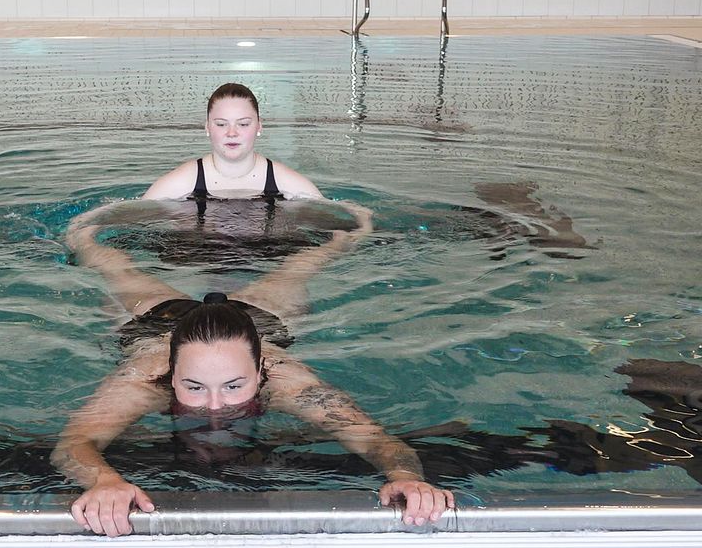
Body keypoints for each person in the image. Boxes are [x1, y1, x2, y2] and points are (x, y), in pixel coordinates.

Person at [53, 201, 455, 537]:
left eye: (233, 386)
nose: (214, 406)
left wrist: (404, 475)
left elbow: (376, 441)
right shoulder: (143, 376)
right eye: (193, 387)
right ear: (171, 373)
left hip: (258, 320)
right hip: (157, 320)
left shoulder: (288, 380)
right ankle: (81, 232)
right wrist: (103, 480)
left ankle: (355, 228)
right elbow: (74, 445)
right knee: (112, 269)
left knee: (302, 267)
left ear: (262, 371)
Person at [142, 83, 324, 201]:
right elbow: (120, 223)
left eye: (243, 124)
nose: (232, 133)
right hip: (196, 257)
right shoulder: (183, 182)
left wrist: (305, 261)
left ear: (259, 127)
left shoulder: (286, 182)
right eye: (221, 124)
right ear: (207, 128)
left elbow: (346, 229)